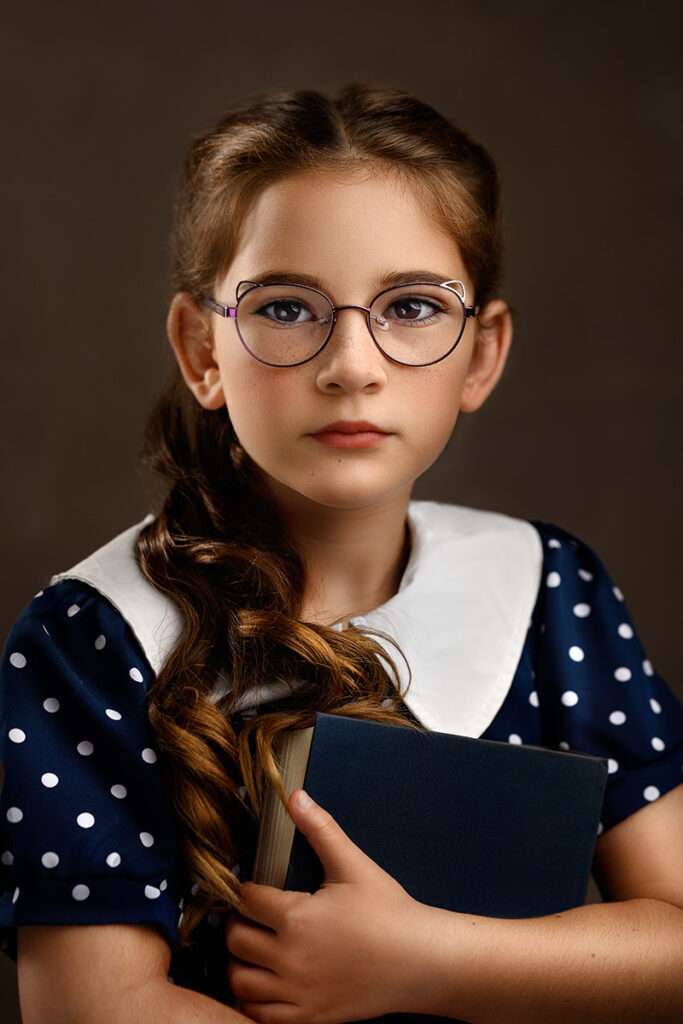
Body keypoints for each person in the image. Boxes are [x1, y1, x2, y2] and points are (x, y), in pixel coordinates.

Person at [1, 81, 682, 1024]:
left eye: (409, 307)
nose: (352, 365)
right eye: (286, 308)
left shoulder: (549, 589)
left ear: (480, 355)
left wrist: (429, 961)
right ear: (203, 349)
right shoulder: (92, 636)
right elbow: (91, 1007)